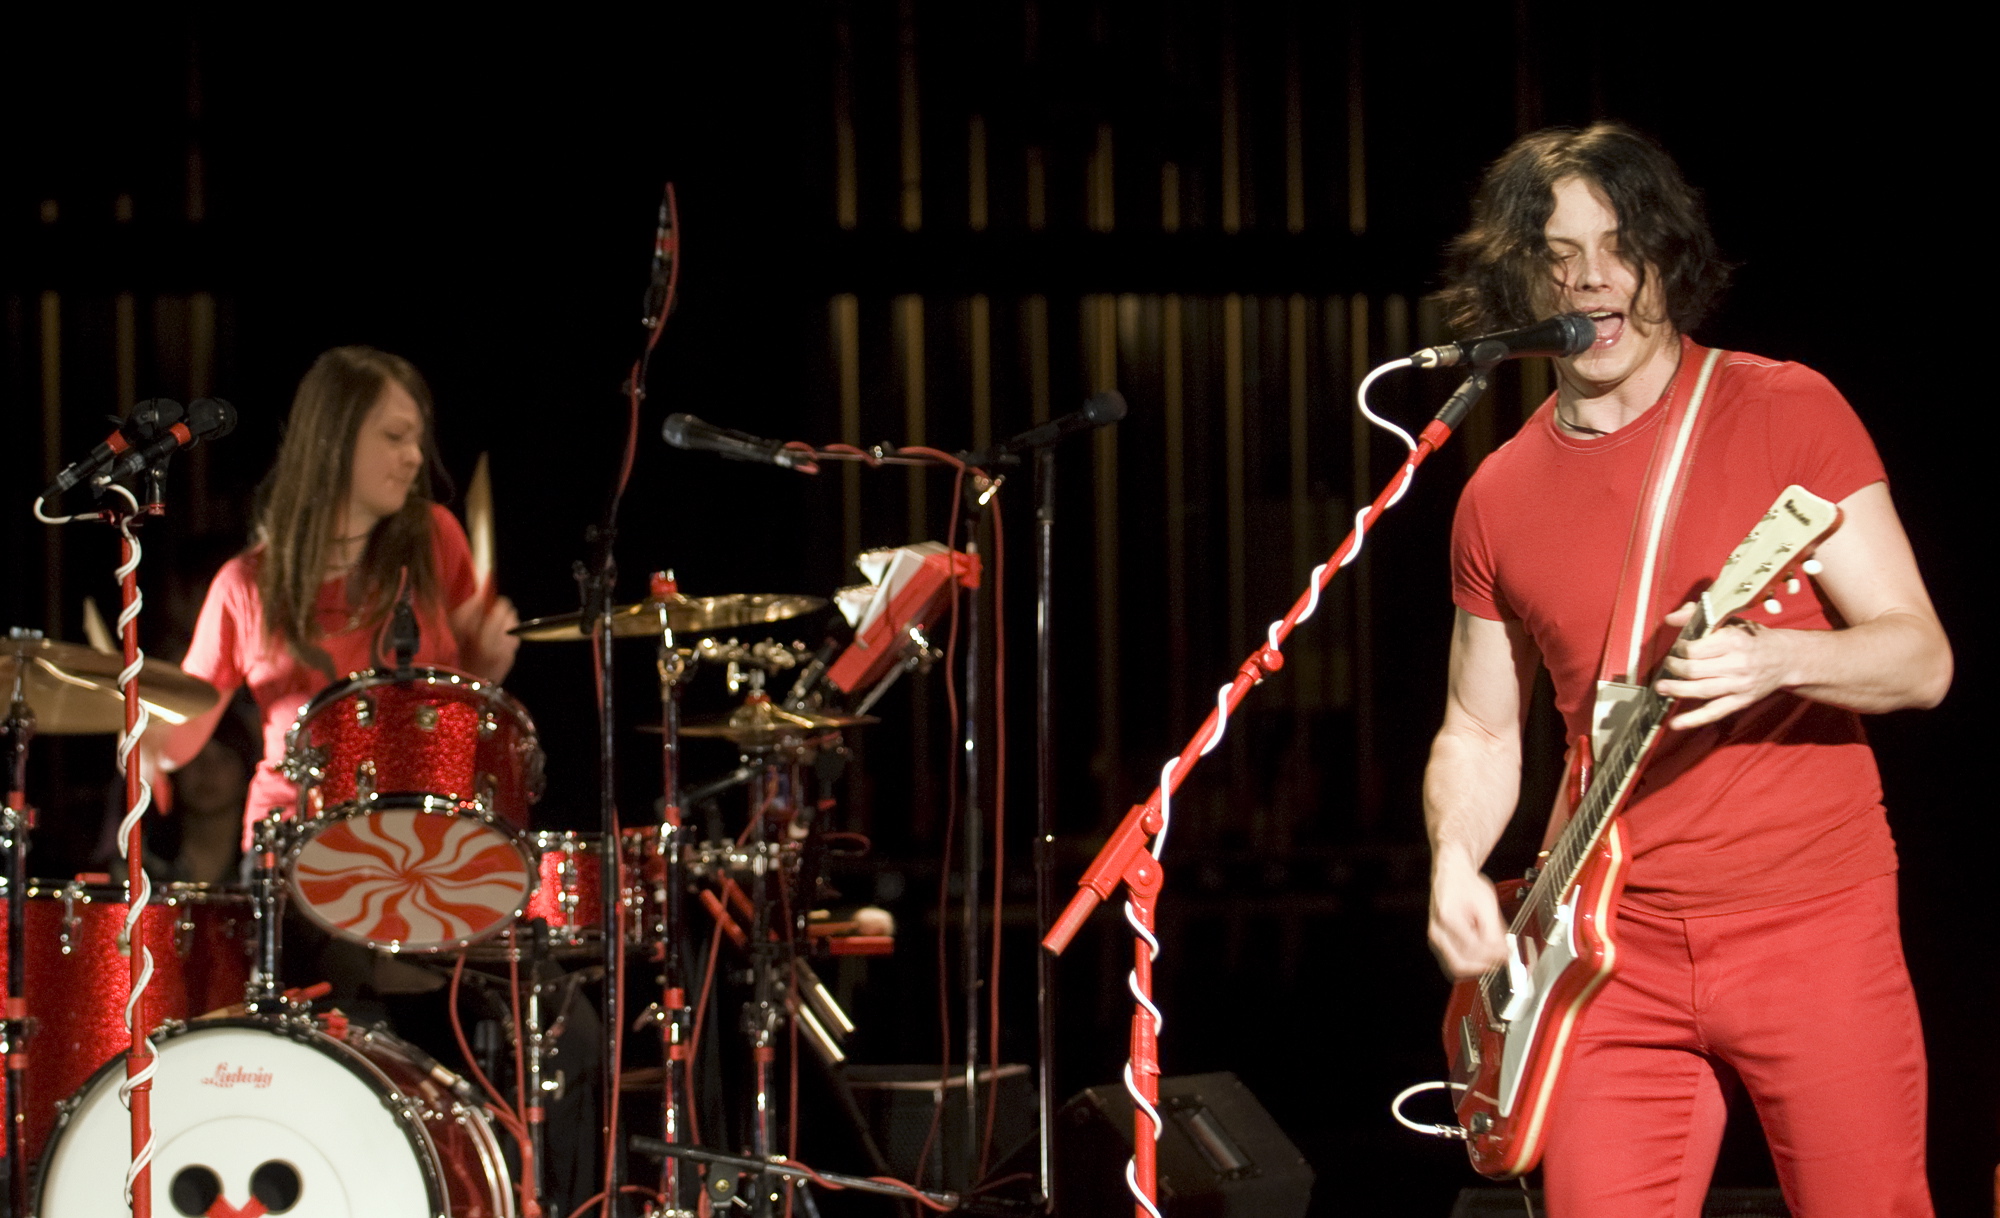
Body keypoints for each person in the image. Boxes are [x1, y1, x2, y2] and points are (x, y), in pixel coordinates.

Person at [1422, 124, 1949, 1217]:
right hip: (1608, 947)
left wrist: (1778, 657)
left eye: (1619, 245)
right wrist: (1452, 862)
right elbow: (1477, 731)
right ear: (1516, 278)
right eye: (1554, 253)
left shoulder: (1782, 408)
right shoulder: (1495, 494)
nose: (1590, 277)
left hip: (1812, 920)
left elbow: (1917, 658)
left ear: (1667, 258)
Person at [161, 344, 520, 847]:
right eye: (395, 437)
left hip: (428, 836)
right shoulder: (246, 584)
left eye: (418, 440)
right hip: (293, 844)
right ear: (334, 440)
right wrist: (138, 731)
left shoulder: (435, 538)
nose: (415, 457)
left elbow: (471, 713)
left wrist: (486, 666)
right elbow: (178, 738)